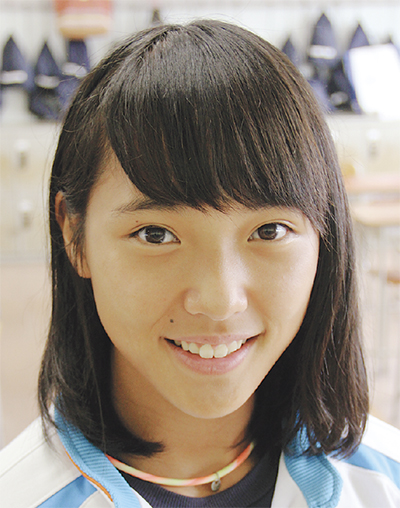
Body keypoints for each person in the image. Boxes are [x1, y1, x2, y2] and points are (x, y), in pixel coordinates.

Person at [1, 19, 399, 508]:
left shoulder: (385, 482)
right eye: (155, 234)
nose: (219, 300)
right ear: (73, 234)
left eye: (269, 231)